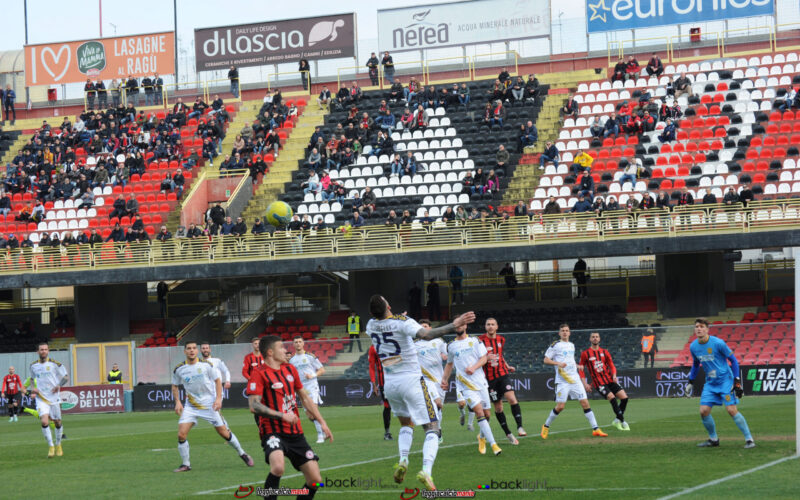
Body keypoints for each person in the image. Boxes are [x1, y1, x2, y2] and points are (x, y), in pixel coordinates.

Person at [366, 294, 476, 491]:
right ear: (389, 305)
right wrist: (454, 324)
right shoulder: (403, 322)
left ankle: (403, 460)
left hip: (390, 383)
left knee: (405, 425)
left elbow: (385, 321)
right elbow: (426, 335)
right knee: (432, 427)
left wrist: (397, 317)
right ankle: (426, 470)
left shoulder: (370, 325)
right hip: (412, 381)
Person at [246, 336, 332, 500]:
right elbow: (254, 406)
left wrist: (322, 422)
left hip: (295, 433)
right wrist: (282, 415)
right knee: (278, 467)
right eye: (281, 347)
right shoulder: (258, 373)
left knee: (316, 481)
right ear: (270, 352)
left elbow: (305, 398)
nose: (286, 350)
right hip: (272, 431)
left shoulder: (290, 369)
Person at [171, 341, 253, 473]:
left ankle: (242, 453)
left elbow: (217, 381)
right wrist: (177, 402)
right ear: (184, 351)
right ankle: (186, 464)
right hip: (191, 406)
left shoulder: (206, 365)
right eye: (189, 349)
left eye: (193, 348)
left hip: (209, 405)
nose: (191, 350)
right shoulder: (179, 369)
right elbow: (175, 386)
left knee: (224, 433)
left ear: (197, 351)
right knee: (181, 434)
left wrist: (218, 399)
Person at [687, 318, 754, 449]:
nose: (699, 329)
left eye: (701, 326)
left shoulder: (718, 343)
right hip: (710, 383)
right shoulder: (693, 346)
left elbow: (734, 361)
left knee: (731, 410)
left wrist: (737, 381)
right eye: (696, 326)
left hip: (725, 381)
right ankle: (713, 439)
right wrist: (690, 381)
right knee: (703, 411)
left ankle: (749, 439)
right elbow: (695, 364)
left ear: (707, 329)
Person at [441, 324, 502, 456]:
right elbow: (449, 364)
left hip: (480, 382)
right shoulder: (451, 345)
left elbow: (484, 358)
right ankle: (494, 445)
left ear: (465, 326)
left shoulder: (475, 340)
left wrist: (474, 367)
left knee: (487, 415)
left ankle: (481, 436)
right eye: (456, 325)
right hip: (465, 385)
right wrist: (444, 379)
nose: (459, 327)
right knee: (479, 412)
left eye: (461, 324)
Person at [541, 324, 608, 439]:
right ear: (559, 333)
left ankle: (596, 429)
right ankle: (546, 426)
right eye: (562, 331)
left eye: (567, 330)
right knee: (560, 406)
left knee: (585, 403)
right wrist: (558, 364)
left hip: (575, 379)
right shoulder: (556, 345)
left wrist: (577, 365)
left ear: (570, 332)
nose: (565, 332)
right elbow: (546, 360)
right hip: (563, 380)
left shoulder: (572, 345)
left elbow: (570, 360)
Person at [479, 318, 525, 445]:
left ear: (497, 326)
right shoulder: (480, 341)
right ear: (485, 326)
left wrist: (507, 365)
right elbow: (478, 357)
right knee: (498, 407)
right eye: (488, 324)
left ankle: (520, 427)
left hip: (503, 374)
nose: (490, 326)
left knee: (511, 398)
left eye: (493, 324)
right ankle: (508, 433)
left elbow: (500, 354)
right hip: (489, 379)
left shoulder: (501, 339)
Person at [22, 342, 69, 457]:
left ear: (48, 351)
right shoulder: (33, 365)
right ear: (37, 352)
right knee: (44, 421)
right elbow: (32, 379)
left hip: (54, 398)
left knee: (57, 422)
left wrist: (58, 385)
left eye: (45, 349)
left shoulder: (55, 364)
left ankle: (58, 444)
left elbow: (66, 377)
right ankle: (51, 446)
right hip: (41, 398)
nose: (43, 351)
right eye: (41, 349)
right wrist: (34, 389)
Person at [579, 332, 630, 431]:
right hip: (599, 383)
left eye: (596, 337)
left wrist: (614, 375)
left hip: (610, 379)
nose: (595, 338)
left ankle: (616, 421)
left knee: (624, 398)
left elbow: (612, 365)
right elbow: (581, 370)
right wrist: (585, 384)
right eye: (593, 337)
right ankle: (623, 422)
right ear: (590, 339)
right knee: (612, 397)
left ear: (599, 339)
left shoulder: (605, 352)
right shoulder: (585, 353)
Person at [414, 319, 447, 443]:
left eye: (426, 326)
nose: (424, 328)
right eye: (421, 327)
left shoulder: (438, 341)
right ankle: (435, 432)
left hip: (439, 379)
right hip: (425, 381)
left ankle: (438, 428)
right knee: (432, 407)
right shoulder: (415, 344)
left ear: (430, 328)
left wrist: (445, 356)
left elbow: (447, 355)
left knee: (439, 407)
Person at [289, 337, 327, 444]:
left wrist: (312, 375)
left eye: (300, 342)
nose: (298, 344)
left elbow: (322, 370)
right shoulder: (292, 360)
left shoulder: (310, 356)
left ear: (303, 343)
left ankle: (320, 435)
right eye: (296, 342)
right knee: (310, 415)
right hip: (301, 389)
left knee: (313, 410)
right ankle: (323, 429)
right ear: (293, 344)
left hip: (312, 386)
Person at [368, 344, 393, 440]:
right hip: (384, 383)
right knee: (387, 406)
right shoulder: (373, 348)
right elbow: (371, 367)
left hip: (398, 380)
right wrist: (374, 384)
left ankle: (408, 429)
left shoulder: (392, 343)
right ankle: (387, 433)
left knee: (405, 403)